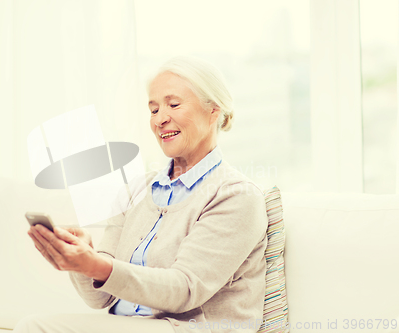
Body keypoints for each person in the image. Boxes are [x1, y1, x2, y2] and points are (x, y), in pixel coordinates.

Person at [14, 56, 268, 333]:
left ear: (213, 111)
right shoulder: (136, 190)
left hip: (189, 328)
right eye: (153, 109)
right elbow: (99, 299)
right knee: (31, 326)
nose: (160, 119)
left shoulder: (237, 196)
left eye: (173, 105)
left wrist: (98, 265)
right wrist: (82, 260)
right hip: (127, 326)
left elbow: (184, 289)